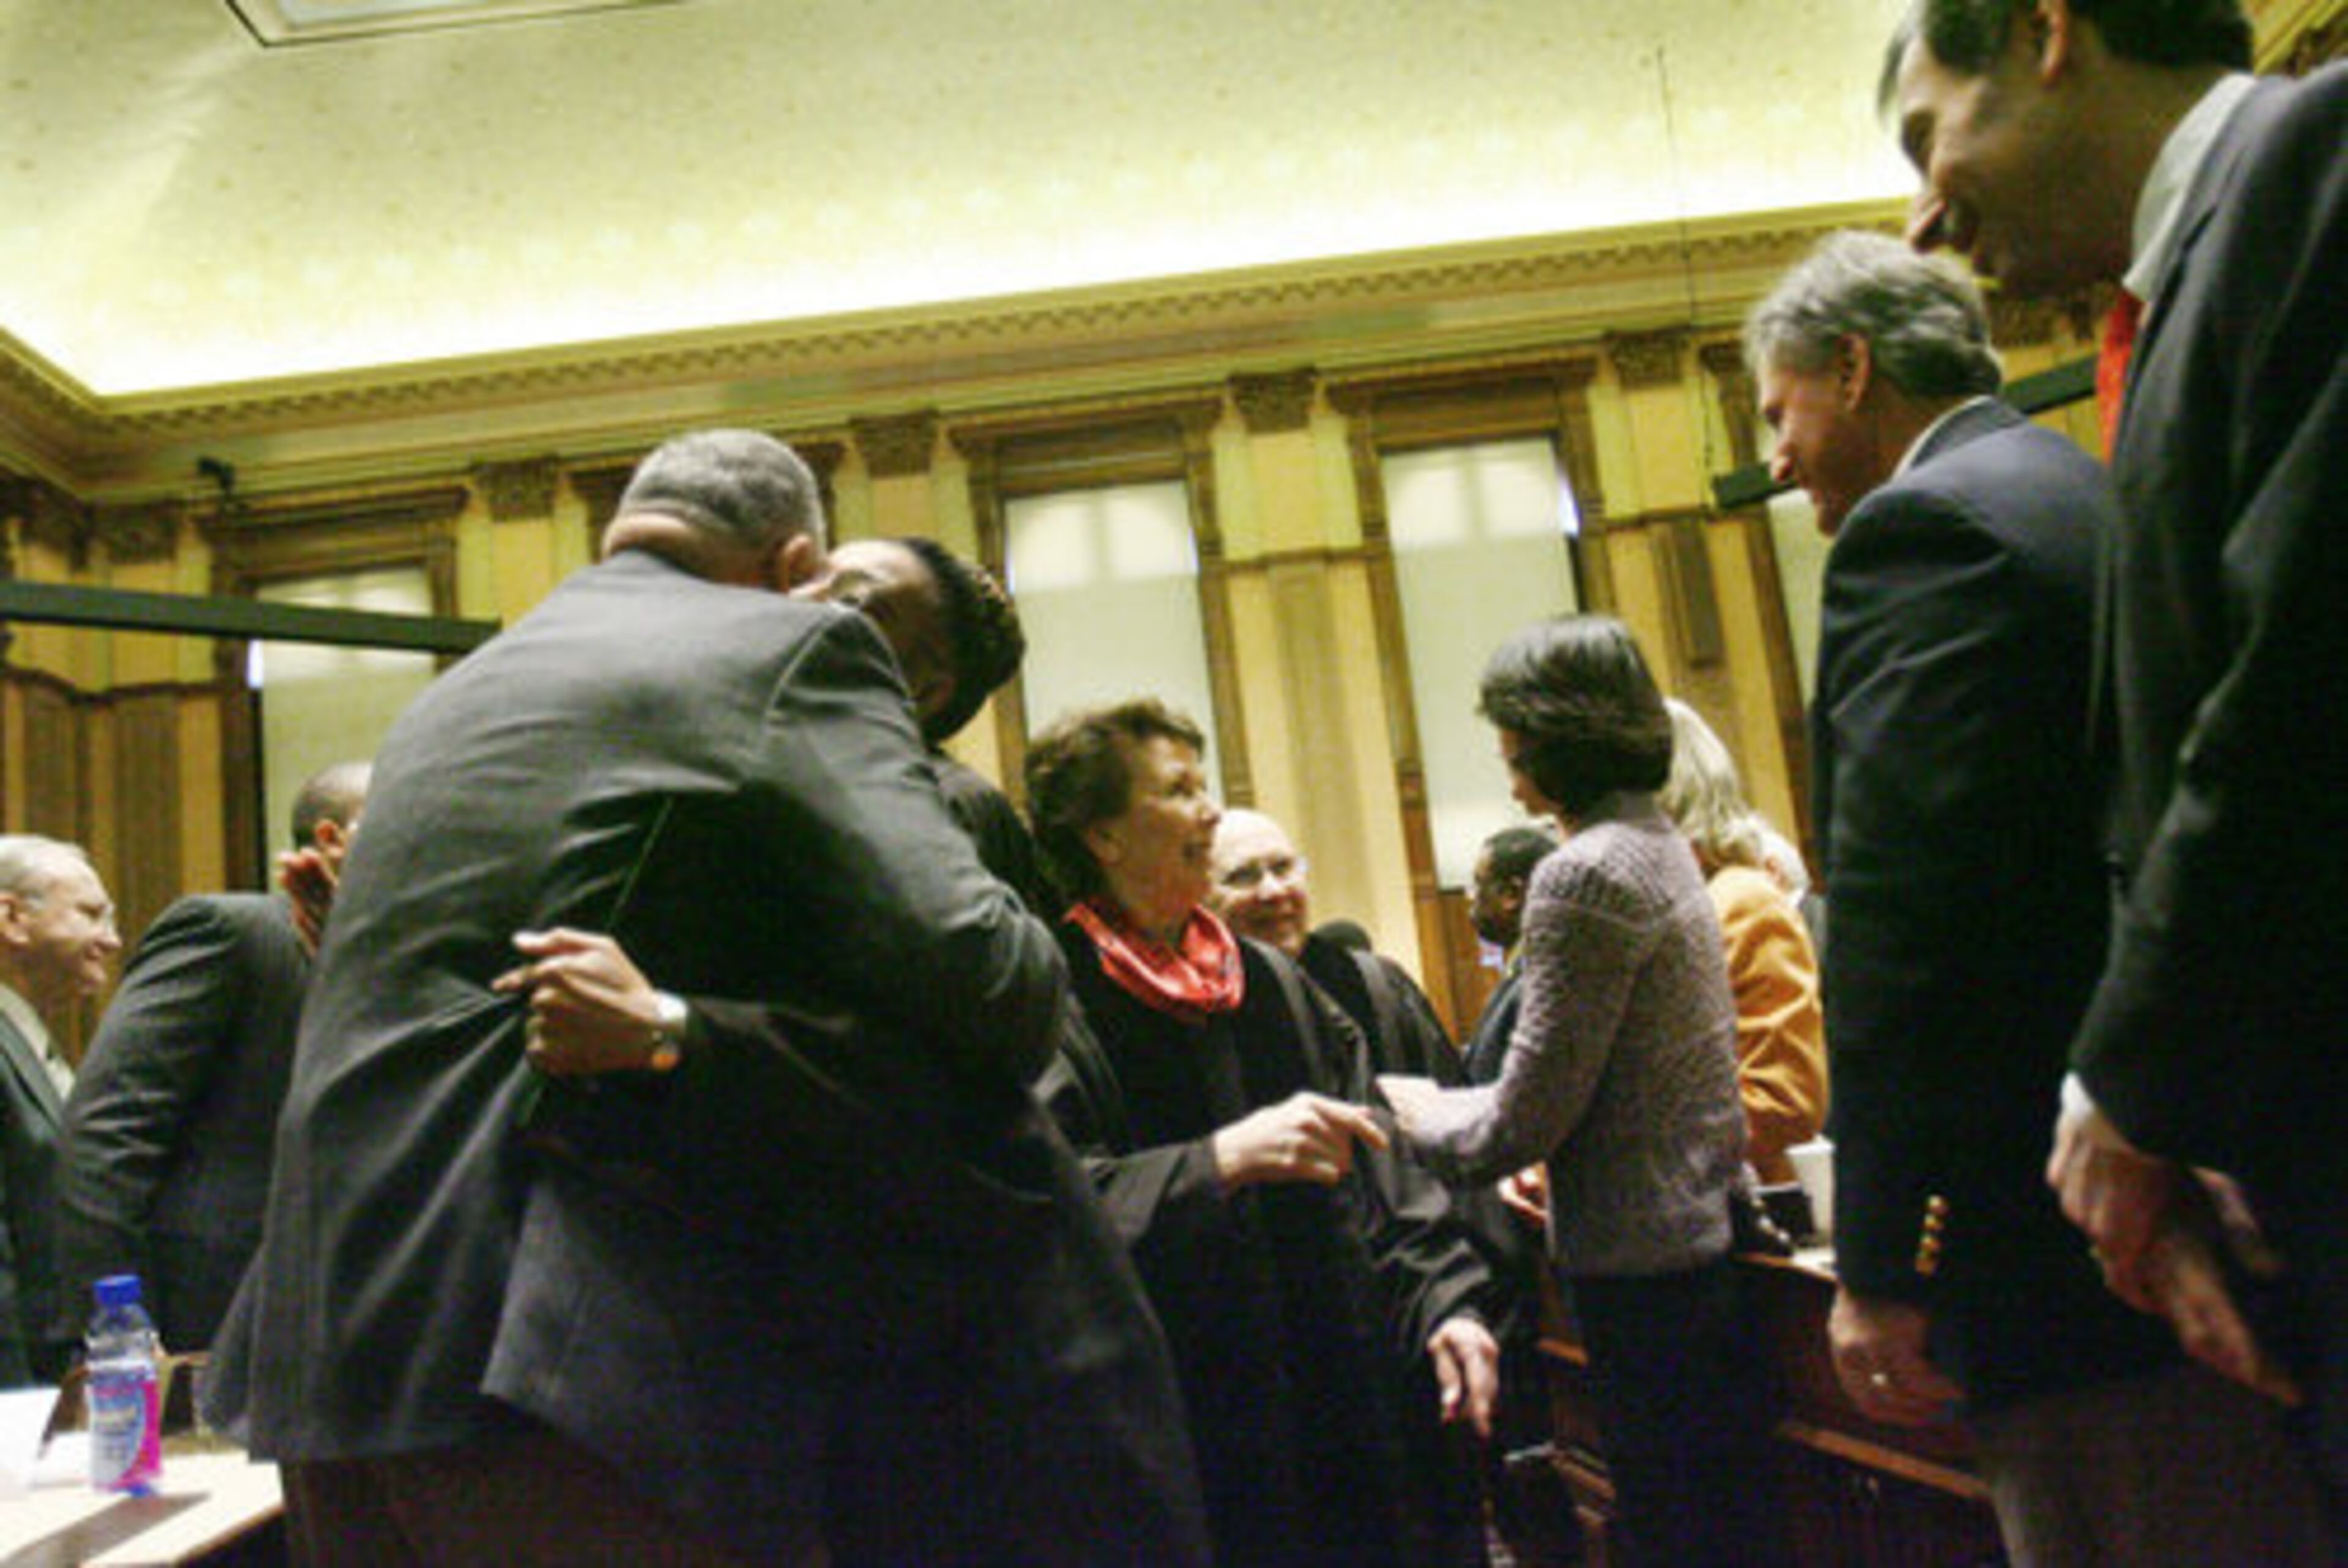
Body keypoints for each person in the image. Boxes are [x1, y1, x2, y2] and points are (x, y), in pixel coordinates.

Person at [207, 429, 1202, 1565]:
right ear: (796, 568)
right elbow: (997, 991)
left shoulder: (465, 690)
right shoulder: (789, 644)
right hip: (547, 1372)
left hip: (327, 1362)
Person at [1748, 227, 2323, 1562]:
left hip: (2066, 1251)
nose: (1775, 459)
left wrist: (1884, 1259)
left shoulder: (1921, 532)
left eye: (1779, 414)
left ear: (1853, 367)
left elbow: (1911, 922)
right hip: (2198, 1178)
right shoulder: (2082, 486)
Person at [1884, 0, 2347, 1529]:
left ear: (2046, 30)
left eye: (1926, 135)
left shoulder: (2318, 158)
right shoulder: (2174, 298)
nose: (1922, 215)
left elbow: (2303, 676)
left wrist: (2134, 1089)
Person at [1028, 698, 1501, 1567]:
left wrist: (1446, 1305)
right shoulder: (1052, 1002)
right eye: (1179, 790)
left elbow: (1384, 1170)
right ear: (1102, 836)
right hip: (1183, 1431)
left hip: (1344, 1403)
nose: (1210, 810)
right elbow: (1045, 1210)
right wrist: (1216, 1163)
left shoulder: (1273, 982)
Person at [1379, 616, 1784, 1568]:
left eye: (1513, 741)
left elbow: (1524, 1119)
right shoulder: (1659, 840)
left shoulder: (1583, 872)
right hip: (1705, 1257)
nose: (1507, 766)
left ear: (1551, 734)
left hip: (1642, 1287)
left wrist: (1407, 1114)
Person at [52, 762, 367, 1353]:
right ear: (333, 839)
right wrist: (120, 1338)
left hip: (351, 1314)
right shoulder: (233, 931)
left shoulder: (398, 966)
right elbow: (108, 1132)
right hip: (214, 1320)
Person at [818, 534, 1050, 911]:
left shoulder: (945, 809)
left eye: (847, 602)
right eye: (803, 578)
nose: (796, 602)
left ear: (924, 691)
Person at [1658, 699, 1827, 1185]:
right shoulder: (1668, 906)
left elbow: (1782, 1100)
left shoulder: (1741, 900)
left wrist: (1620, 1150)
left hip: (1727, 1206)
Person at [1208, 806, 1461, 1083]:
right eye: (1243, 876)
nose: (1275, 891)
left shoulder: (1379, 986)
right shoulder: (1201, 1008)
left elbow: (1451, 1097)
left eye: (1283, 868)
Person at [0, 835, 119, 1387]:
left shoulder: (29, 1042)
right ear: (12, 919)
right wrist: (15, 1405)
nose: (111, 940)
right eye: (91, 915)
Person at [1461, 825, 1556, 1089]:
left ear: (1511, 895)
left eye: (1478, 885)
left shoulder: (1537, 980)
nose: (1471, 899)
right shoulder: (1525, 968)